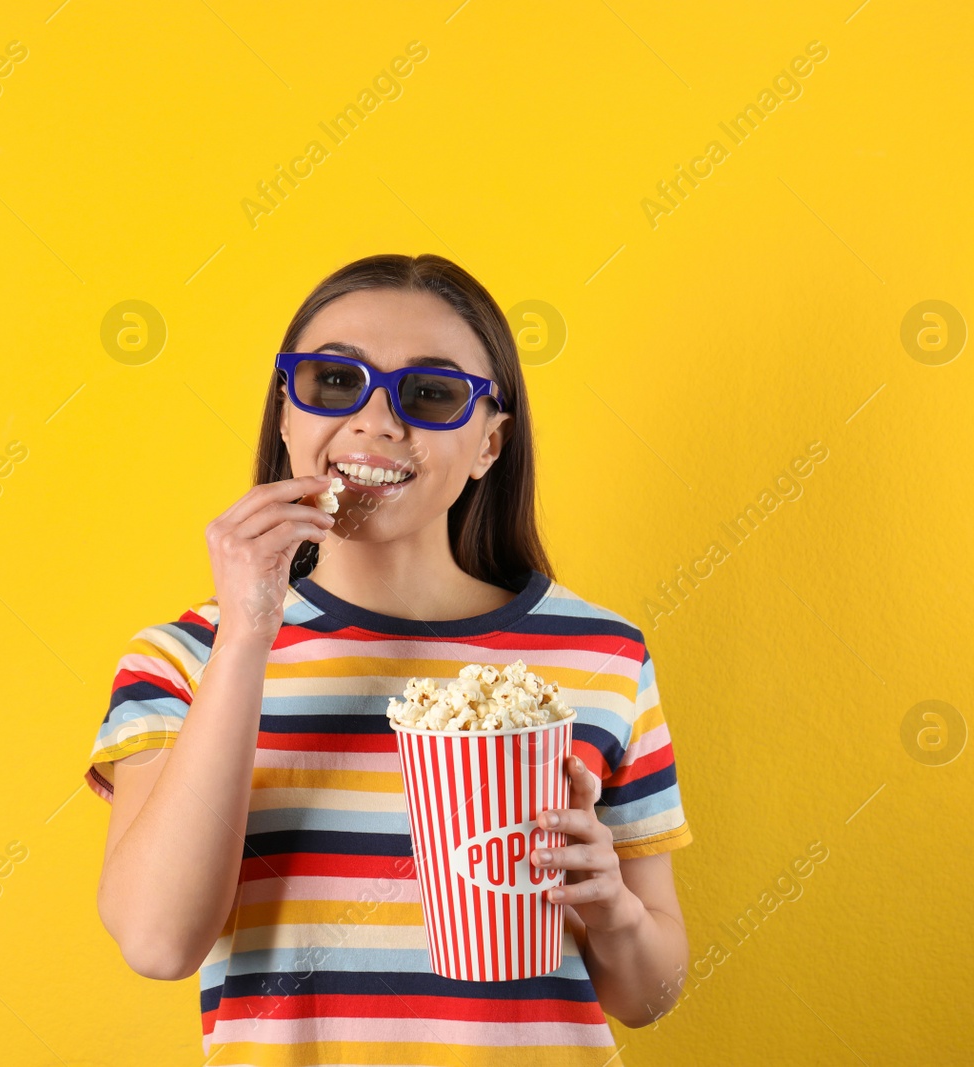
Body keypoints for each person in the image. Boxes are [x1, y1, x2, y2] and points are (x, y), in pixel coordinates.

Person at [87, 253, 693, 1065]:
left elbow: (648, 1000)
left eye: (432, 393)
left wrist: (612, 906)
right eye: (335, 382)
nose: (376, 421)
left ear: (489, 442)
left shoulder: (602, 654)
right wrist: (246, 635)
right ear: (286, 415)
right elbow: (159, 942)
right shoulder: (184, 657)